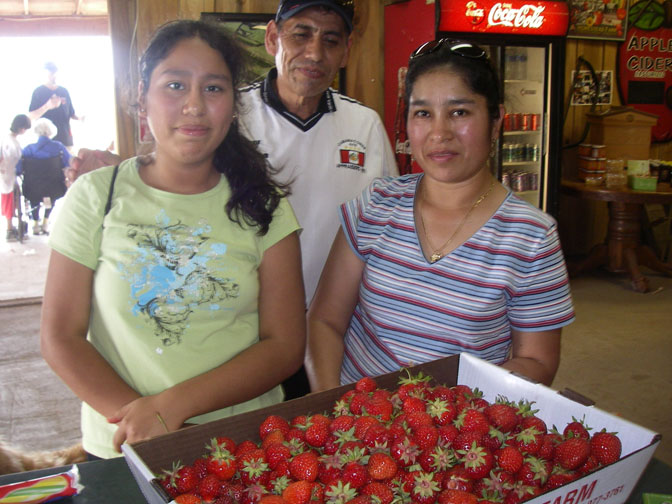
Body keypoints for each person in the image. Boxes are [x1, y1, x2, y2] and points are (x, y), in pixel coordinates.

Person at [40, 19, 306, 459]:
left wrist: (170, 410)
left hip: (238, 450)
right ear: (142, 98)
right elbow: (59, 336)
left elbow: (284, 346)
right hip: (122, 450)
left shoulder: (266, 207)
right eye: (175, 85)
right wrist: (139, 423)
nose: (195, 106)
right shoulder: (95, 196)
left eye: (214, 89)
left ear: (233, 105)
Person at [305, 39, 575, 390]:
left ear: (496, 122)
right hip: (357, 420)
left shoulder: (532, 236)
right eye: (423, 113)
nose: (439, 133)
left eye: (459, 112)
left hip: (453, 430)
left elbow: (537, 360)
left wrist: (448, 415)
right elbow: (325, 320)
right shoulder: (375, 205)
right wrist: (332, 405)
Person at [237, 0, 397, 398]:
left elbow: (389, 226)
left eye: (330, 40)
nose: (314, 53)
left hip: (336, 327)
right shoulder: (231, 116)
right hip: (248, 329)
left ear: (346, 51)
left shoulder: (364, 125)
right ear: (273, 37)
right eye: (301, 34)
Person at [18, 118, 72, 235]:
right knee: (51, 195)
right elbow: (69, 163)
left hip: (32, 187)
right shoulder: (58, 147)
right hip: (54, 187)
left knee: (34, 197)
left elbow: (18, 169)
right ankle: (46, 221)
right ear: (51, 132)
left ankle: (35, 224)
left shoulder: (28, 149)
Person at [29, 62, 81, 149]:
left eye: (55, 73)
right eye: (51, 74)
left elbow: (71, 113)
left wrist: (80, 118)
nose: (54, 76)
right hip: (46, 140)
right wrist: (47, 106)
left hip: (65, 139)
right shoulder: (38, 92)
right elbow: (31, 116)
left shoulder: (64, 91)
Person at [1, 114, 31, 241]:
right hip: (8, 174)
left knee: (8, 201)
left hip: (5, 173)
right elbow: (18, 160)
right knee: (10, 201)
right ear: (22, 128)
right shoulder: (13, 142)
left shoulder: (6, 138)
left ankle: (10, 228)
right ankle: (9, 229)